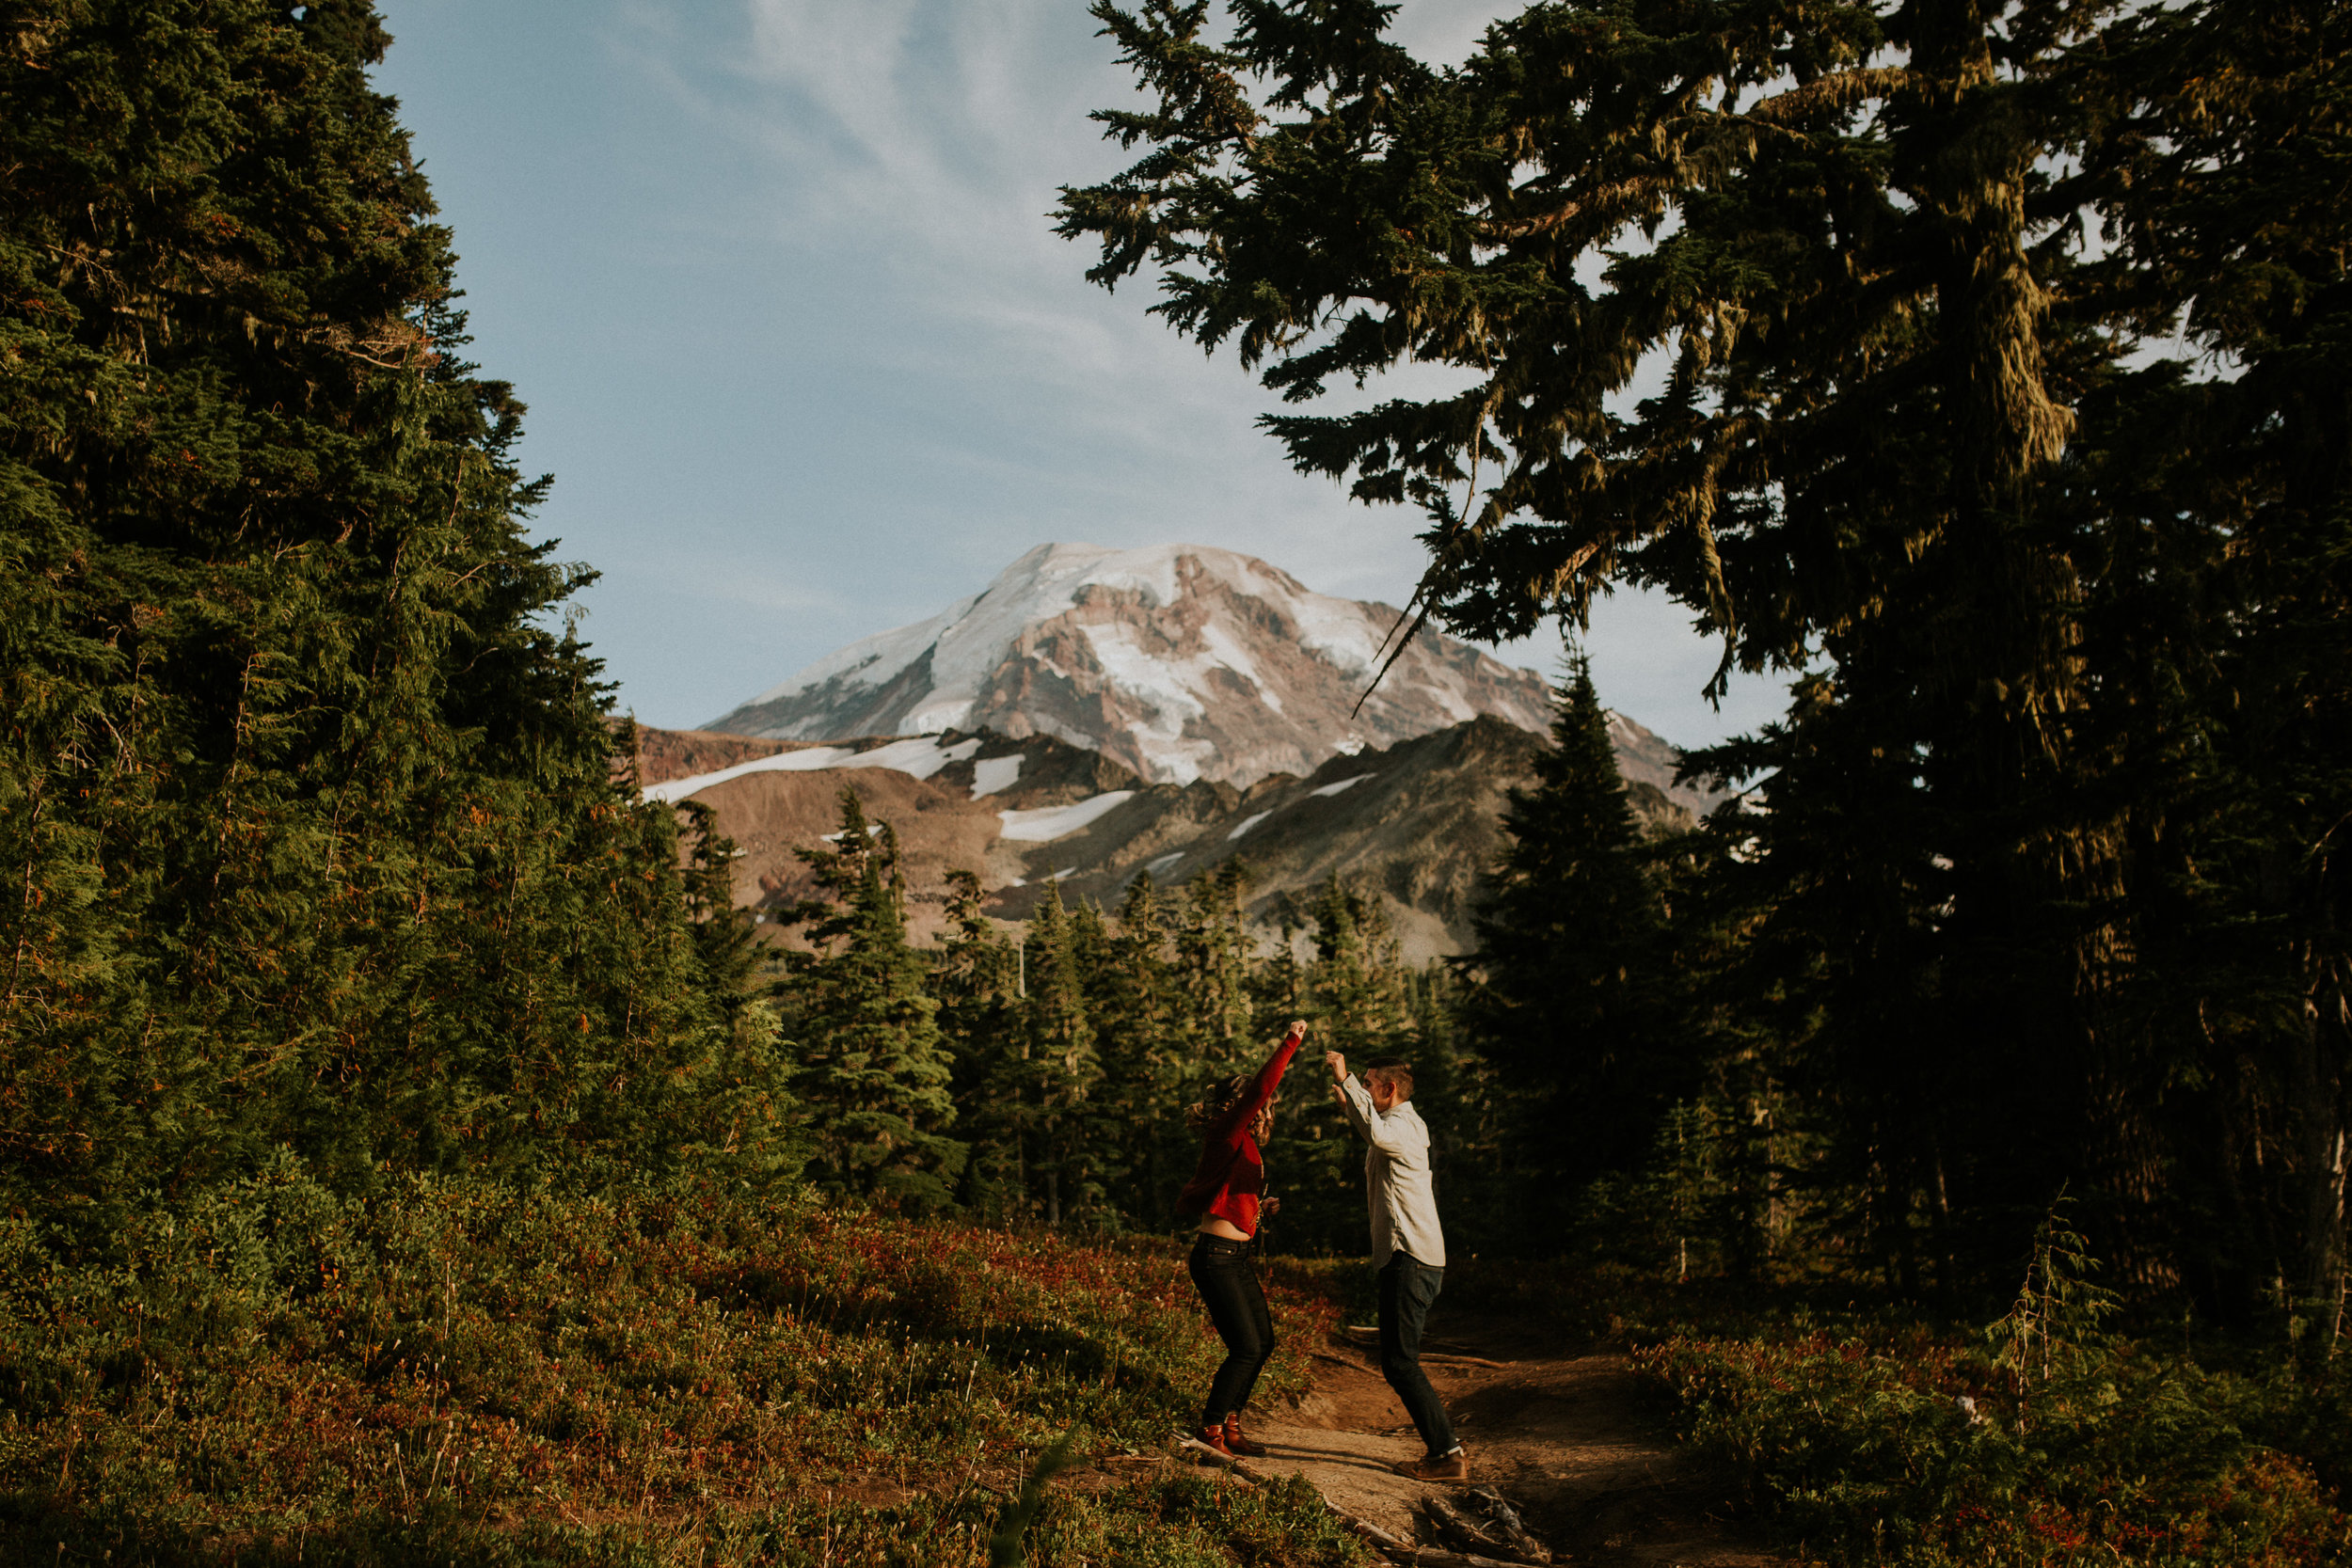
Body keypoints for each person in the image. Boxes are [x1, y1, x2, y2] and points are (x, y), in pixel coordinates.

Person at [1327, 1047, 1468, 1482]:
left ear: (1389, 1089)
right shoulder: (1395, 1124)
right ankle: (1445, 1451)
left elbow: (1380, 1134)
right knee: (1397, 1360)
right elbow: (1374, 1131)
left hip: (1411, 1258)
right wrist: (1354, 1100)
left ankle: (1447, 1454)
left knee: (1400, 1362)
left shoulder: (1404, 1126)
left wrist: (1346, 1078)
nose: (1364, 1089)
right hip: (1408, 1258)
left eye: (1369, 1084)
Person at [1176, 1018, 1308, 1459]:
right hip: (1215, 1257)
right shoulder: (1227, 1130)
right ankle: (1210, 1427)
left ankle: (1231, 1422)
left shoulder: (1246, 1146)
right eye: (1263, 1104)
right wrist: (1291, 1041)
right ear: (1242, 1106)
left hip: (1234, 1256)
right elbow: (1259, 1090)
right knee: (1246, 1347)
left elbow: (1232, 1197)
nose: (1268, 1109)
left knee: (1263, 1343)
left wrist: (1260, 1209)